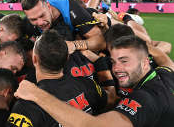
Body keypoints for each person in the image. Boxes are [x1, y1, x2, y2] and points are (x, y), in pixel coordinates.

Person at [14, 35, 174, 127]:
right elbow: (167, 62)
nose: (116, 69)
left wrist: (36, 94)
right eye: (113, 61)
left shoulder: (144, 98)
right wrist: (139, 43)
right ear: (67, 58)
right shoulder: (164, 76)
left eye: (125, 61)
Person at [6, 30, 115, 127]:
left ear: (35, 60)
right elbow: (111, 100)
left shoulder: (26, 105)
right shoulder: (87, 83)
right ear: (67, 58)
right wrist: (102, 65)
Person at [21, 0, 105, 52]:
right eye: (33, 19)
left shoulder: (72, 10)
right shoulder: (26, 23)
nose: (40, 23)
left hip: (82, 12)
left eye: (42, 15)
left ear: (48, 7)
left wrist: (74, 45)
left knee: (91, 8)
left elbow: (100, 42)